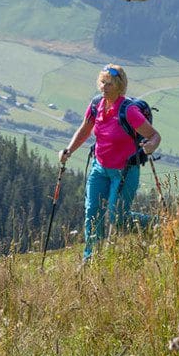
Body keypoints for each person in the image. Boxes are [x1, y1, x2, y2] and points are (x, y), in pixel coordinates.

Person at [58, 64, 161, 261]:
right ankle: (91, 260)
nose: (104, 87)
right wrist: (69, 150)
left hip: (125, 171)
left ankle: (157, 225)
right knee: (92, 213)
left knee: (117, 218)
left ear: (119, 86)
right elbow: (84, 131)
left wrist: (150, 146)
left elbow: (155, 136)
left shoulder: (128, 111)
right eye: (102, 82)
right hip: (99, 168)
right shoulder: (96, 104)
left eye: (110, 84)